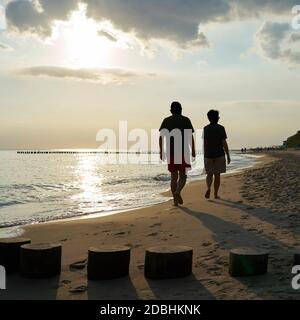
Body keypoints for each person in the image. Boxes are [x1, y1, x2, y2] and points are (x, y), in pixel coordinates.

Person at [159, 102, 196, 206]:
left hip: (171, 152)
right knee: (183, 176)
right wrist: (193, 149)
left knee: (173, 176)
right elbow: (190, 137)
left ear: (171, 111)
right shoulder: (186, 120)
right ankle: (178, 191)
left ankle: (175, 201)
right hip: (184, 152)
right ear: (181, 109)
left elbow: (161, 137)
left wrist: (161, 151)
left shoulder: (166, 121)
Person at [203, 110, 231, 199]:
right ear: (217, 118)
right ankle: (215, 194)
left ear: (208, 118)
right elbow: (224, 142)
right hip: (219, 154)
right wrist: (228, 154)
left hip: (208, 155)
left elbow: (205, 143)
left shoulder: (206, 128)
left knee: (209, 174)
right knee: (217, 175)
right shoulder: (221, 128)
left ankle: (208, 188)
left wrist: (204, 154)